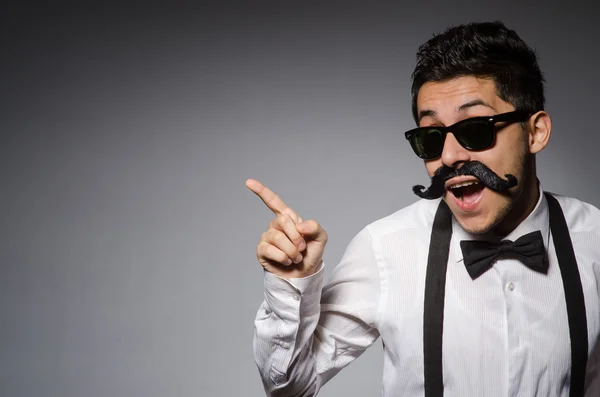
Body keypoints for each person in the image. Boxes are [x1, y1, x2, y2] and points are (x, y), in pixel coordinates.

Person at [246, 21, 600, 397]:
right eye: (431, 137)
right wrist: (292, 285)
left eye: (476, 129)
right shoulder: (386, 247)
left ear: (536, 132)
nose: (449, 157)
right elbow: (288, 387)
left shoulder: (595, 242)